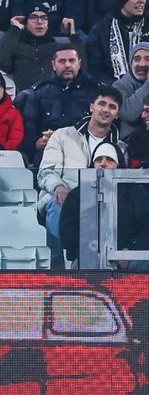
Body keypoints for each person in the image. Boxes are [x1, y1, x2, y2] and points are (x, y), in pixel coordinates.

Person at [37, 86, 126, 266]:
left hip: (104, 204)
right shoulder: (63, 135)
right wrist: (59, 187)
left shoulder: (121, 147)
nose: (105, 110)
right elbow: (46, 171)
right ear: (91, 106)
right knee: (59, 206)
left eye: (112, 106)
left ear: (117, 114)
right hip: (65, 198)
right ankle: (65, 264)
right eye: (101, 104)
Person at [22, 43, 100, 166]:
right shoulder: (39, 92)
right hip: (48, 152)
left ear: (79, 63)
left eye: (72, 60)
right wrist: (35, 143)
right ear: (53, 65)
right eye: (62, 61)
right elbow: (28, 127)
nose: (67, 65)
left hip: (85, 151)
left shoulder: (95, 91)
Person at [0, 2, 84, 94]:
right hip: (28, 102)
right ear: (25, 24)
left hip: (57, 99)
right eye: (34, 18)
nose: (39, 22)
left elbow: (81, 66)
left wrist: (73, 35)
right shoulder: (18, 48)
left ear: (48, 24)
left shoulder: (58, 48)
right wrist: (15, 29)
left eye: (44, 18)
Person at [60, 141, 125, 266]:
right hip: (88, 256)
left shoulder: (133, 193)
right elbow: (68, 235)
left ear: (119, 166)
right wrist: (91, 249)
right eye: (98, 159)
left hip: (125, 257)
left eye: (109, 159)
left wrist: (124, 253)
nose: (103, 164)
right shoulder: (77, 195)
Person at [86, 0, 149, 84]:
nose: (142, 0)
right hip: (114, 91)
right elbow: (96, 71)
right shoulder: (100, 31)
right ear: (122, 1)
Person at [114, 42, 149, 140]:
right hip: (130, 142)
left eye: (148, 59)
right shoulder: (119, 86)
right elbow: (127, 114)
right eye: (137, 59)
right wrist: (148, 84)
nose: (142, 64)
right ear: (131, 63)